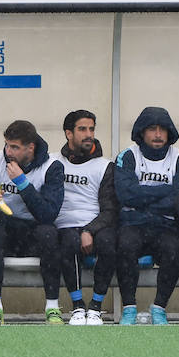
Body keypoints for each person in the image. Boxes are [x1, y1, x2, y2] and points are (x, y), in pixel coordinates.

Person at [114, 106, 179, 325]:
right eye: (152, 129)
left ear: (170, 132)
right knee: (125, 245)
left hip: (166, 226)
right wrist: (165, 191)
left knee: (174, 249)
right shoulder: (127, 156)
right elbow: (125, 195)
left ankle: (159, 307)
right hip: (133, 224)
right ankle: (129, 308)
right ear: (142, 132)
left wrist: (144, 198)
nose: (158, 135)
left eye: (162, 129)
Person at [0, 120, 64, 324]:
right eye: (7, 144)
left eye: (15, 147)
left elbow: (48, 214)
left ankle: (52, 308)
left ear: (30, 147)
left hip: (35, 233)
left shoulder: (52, 167)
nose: (9, 151)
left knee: (50, 233)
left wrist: (23, 183)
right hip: (6, 231)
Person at [55, 110, 119, 326]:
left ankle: (96, 307)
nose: (88, 134)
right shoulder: (53, 162)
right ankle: (77, 306)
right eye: (82, 129)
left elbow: (110, 209)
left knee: (110, 242)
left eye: (91, 129)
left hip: (95, 225)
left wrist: (89, 230)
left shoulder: (104, 166)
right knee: (68, 241)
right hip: (63, 226)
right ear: (68, 133)